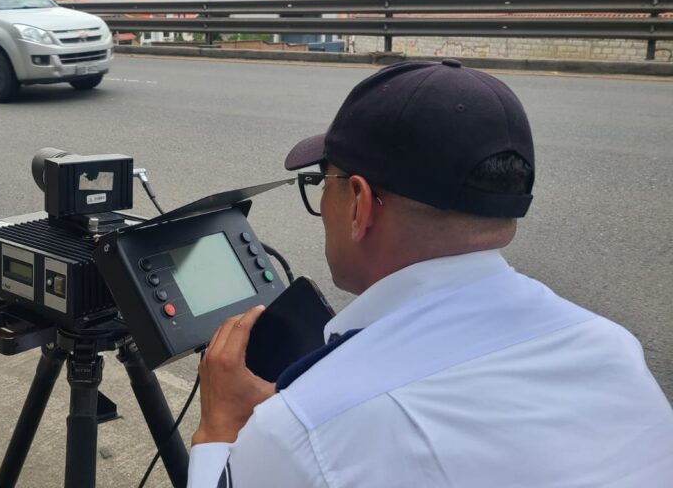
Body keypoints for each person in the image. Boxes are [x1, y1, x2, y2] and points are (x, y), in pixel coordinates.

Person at [188, 60, 673, 487]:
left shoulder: (304, 432)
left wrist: (221, 429)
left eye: (322, 181)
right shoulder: (612, 348)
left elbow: (322, 439)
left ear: (360, 204)